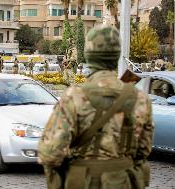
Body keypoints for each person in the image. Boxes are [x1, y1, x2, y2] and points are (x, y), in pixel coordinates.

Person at [38, 25, 154, 189]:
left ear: (89, 56)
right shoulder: (139, 98)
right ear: (116, 55)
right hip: (122, 181)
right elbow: (144, 149)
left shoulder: (74, 97)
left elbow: (49, 153)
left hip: (82, 181)